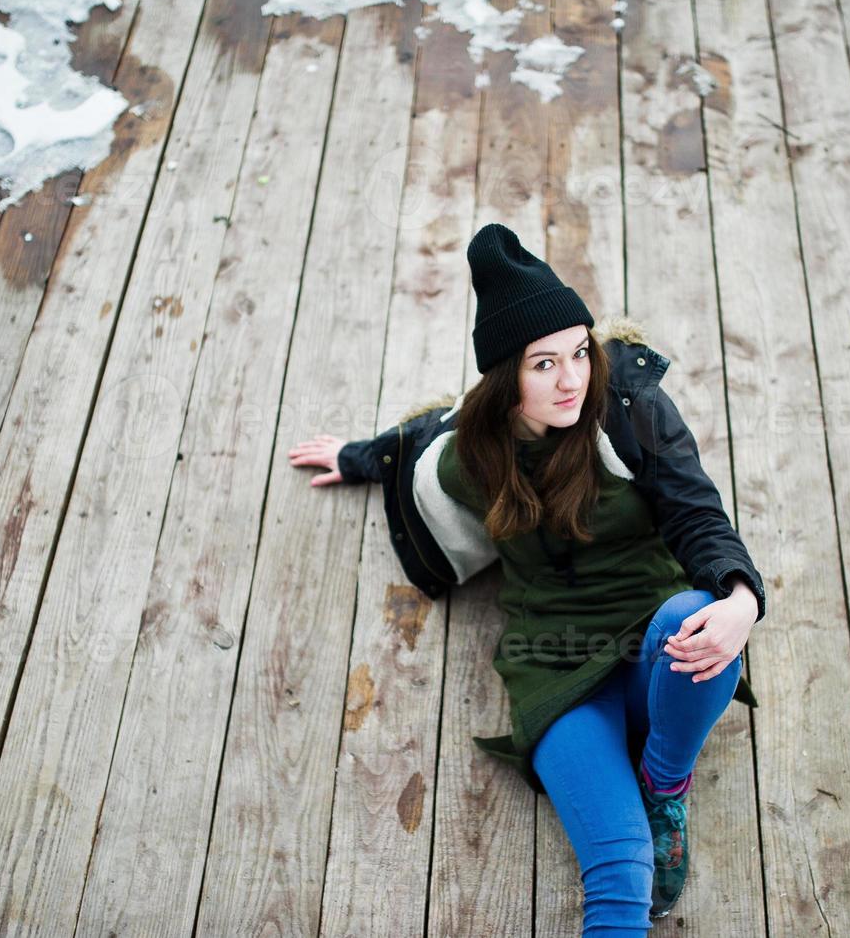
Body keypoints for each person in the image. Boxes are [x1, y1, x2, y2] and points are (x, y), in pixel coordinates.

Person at [289, 223, 765, 933]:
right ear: (506, 376)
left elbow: (697, 511)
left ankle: (665, 783)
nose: (572, 378)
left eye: (579, 352)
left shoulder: (627, 413)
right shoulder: (472, 451)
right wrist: (361, 457)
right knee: (619, 873)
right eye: (544, 364)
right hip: (554, 660)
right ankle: (635, 806)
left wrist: (741, 600)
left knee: (693, 617)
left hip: (653, 633)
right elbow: (420, 440)